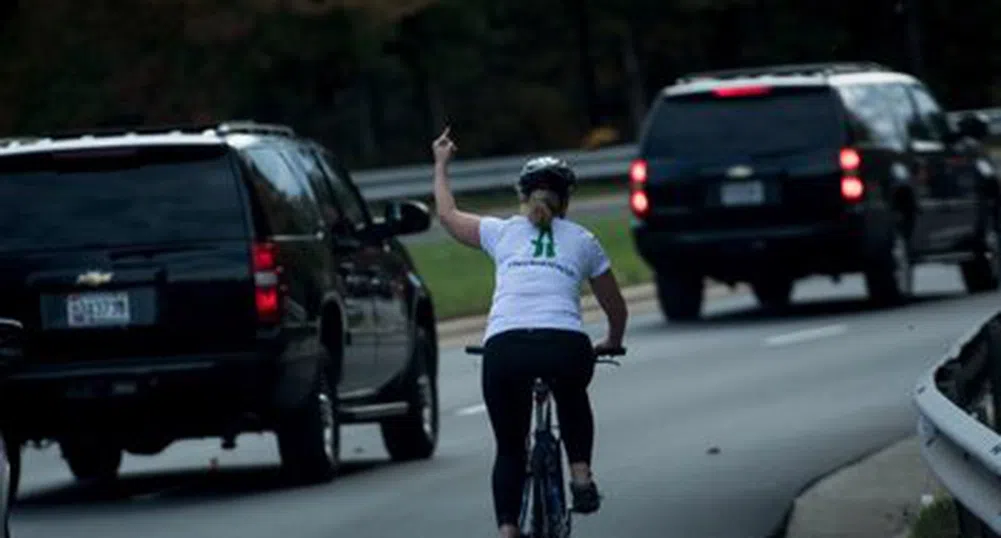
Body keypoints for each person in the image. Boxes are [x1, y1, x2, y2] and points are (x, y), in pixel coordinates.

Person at [430, 127, 628, 538]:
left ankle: (507, 530)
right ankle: (580, 475)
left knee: (509, 447)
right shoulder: (583, 240)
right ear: (567, 200)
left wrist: (441, 164)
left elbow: (447, 215)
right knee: (572, 394)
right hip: (564, 345)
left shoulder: (501, 232)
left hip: (505, 347)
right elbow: (615, 305)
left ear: (523, 196)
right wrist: (611, 339)